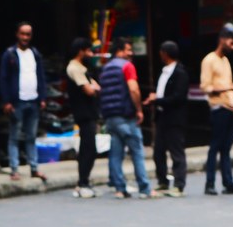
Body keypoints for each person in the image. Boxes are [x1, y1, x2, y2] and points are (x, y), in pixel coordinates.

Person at [97, 37, 150, 199]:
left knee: (115, 154)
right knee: (137, 152)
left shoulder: (105, 69)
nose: (131, 53)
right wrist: (139, 109)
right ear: (120, 50)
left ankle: (120, 188)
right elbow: (133, 89)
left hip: (110, 117)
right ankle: (145, 188)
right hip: (126, 116)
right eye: (128, 49)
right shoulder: (127, 66)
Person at [0, 22, 47, 180]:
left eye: (28, 34)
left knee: (31, 136)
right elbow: (3, 79)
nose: (25, 37)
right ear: (17, 34)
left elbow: (41, 77)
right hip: (17, 102)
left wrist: (42, 97)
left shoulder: (35, 54)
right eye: (22, 34)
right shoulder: (9, 54)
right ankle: (14, 169)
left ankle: (34, 167)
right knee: (15, 136)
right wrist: (7, 101)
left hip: (33, 100)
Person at [198, 24, 233, 195]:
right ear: (222, 40)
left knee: (226, 148)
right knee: (215, 146)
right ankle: (209, 183)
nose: (232, 48)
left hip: (231, 107)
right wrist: (227, 87)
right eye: (231, 43)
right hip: (218, 107)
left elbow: (229, 87)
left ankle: (228, 183)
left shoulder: (225, 61)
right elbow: (206, 87)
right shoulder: (209, 60)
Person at [63, 35, 101, 198]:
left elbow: (96, 86)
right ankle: (82, 183)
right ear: (81, 51)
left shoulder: (82, 68)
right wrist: (92, 87)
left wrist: (93, 87)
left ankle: (84, 181)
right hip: (83, 113)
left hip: (89, 113)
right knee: (88, 149)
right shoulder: (74, 68)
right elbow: (90, 90)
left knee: (90, 148)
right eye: (89, 51)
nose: (91, 55)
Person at [150, 39, 190, 196]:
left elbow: (178, 97)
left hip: (175, 118)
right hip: (162, 116)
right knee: (158, 151)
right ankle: (163, 181)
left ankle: (179, 184)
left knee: (176, 151)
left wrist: (157, 100)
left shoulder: (180, 73)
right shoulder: (164, 71)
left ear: (165, 54)